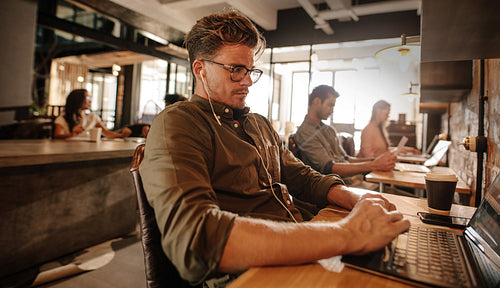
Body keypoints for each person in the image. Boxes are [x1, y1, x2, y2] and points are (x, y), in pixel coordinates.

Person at [140, 10, 409, 287]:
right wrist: (347, 234)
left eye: (250, 70)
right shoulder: (179, 122)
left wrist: (356, 198)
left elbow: (301, 176)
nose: (247, 81)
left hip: (300, 239)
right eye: (236, 70)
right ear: (200, 69)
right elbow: (196, 239)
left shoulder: (259, 123)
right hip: (253, 272)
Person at [295, 85, 397, 187]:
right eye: (330, 105)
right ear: (316, 101)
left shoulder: (329, 130)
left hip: (351, 181)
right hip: (336, 188)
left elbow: (346, 159)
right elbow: (329, 168)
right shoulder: (305, 132)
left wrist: (376, 160)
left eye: (333, 106)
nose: (332, 111)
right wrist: (374, 165)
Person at [53, 89, 131, 139]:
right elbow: (57, 136)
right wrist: (72, 134)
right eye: (88, 98)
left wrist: (121, 135)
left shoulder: (92, 117)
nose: (90, 101)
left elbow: (106, 132)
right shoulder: (63, 118)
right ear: (78, 100)